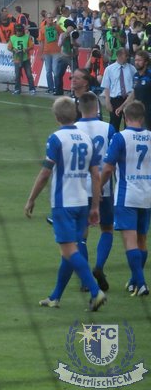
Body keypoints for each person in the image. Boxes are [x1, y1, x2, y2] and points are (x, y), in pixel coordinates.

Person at [24, 97, 106, 311]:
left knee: (69, 250)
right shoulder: (87, 139)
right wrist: (95, 206)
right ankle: (55, 297)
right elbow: (96, 175)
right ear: (75, 114)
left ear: (56, 117)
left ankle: (95, 292)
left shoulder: (56, 138)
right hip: (82, 202)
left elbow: (45, 173)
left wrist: (31, 199)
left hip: (63, 203)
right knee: (69, 252)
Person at [100, 100, 150, 297]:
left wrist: (99, 186)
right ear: (142, 118)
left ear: (125, 117)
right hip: (147, 195)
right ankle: (134, 280)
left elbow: (108, 168)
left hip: (127, 195)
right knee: (142, 240)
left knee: (130, 241)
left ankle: (142, 284)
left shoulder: (120, 138)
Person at [75, 92, 115, 293]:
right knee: (107, 229)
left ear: (79, 108)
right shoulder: (108, 128)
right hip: (103, 187)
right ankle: (99, 266)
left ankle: (85, 280)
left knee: (81, 234)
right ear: (97, 108)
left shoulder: (73, 129)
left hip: (79, 188)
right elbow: (114, 160)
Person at [116, 50, 151, 130]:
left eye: (139, 60)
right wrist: (122, 106)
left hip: (148, 113)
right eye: (135, 60)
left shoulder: (149, 75)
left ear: (146, 62)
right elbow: (134, 93)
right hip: (138, 112)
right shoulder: (135, 76)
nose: (136, 62)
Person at [102, 48, 135, 131]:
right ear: (119, 56)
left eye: (127, 56)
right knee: (114, 126)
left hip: (128, 99)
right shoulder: (109, 69)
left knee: (129, 125)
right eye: (125, 56)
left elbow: (135, 85)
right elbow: (106, 86)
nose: (127, 58)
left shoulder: (132, 69)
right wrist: (107, 101)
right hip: (115, 100)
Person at [7, 23, 36, 95]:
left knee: (29, 74)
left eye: (20, 31)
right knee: (17, 75)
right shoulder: (12, 38)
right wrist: (14, 49)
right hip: (17, 59)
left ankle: (32, 89)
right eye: (17, 31)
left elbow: (32, 46)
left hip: (26, 59)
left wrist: (26, 49)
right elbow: (9, 47)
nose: (18, 33)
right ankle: (17, 89)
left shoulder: (27, 37)